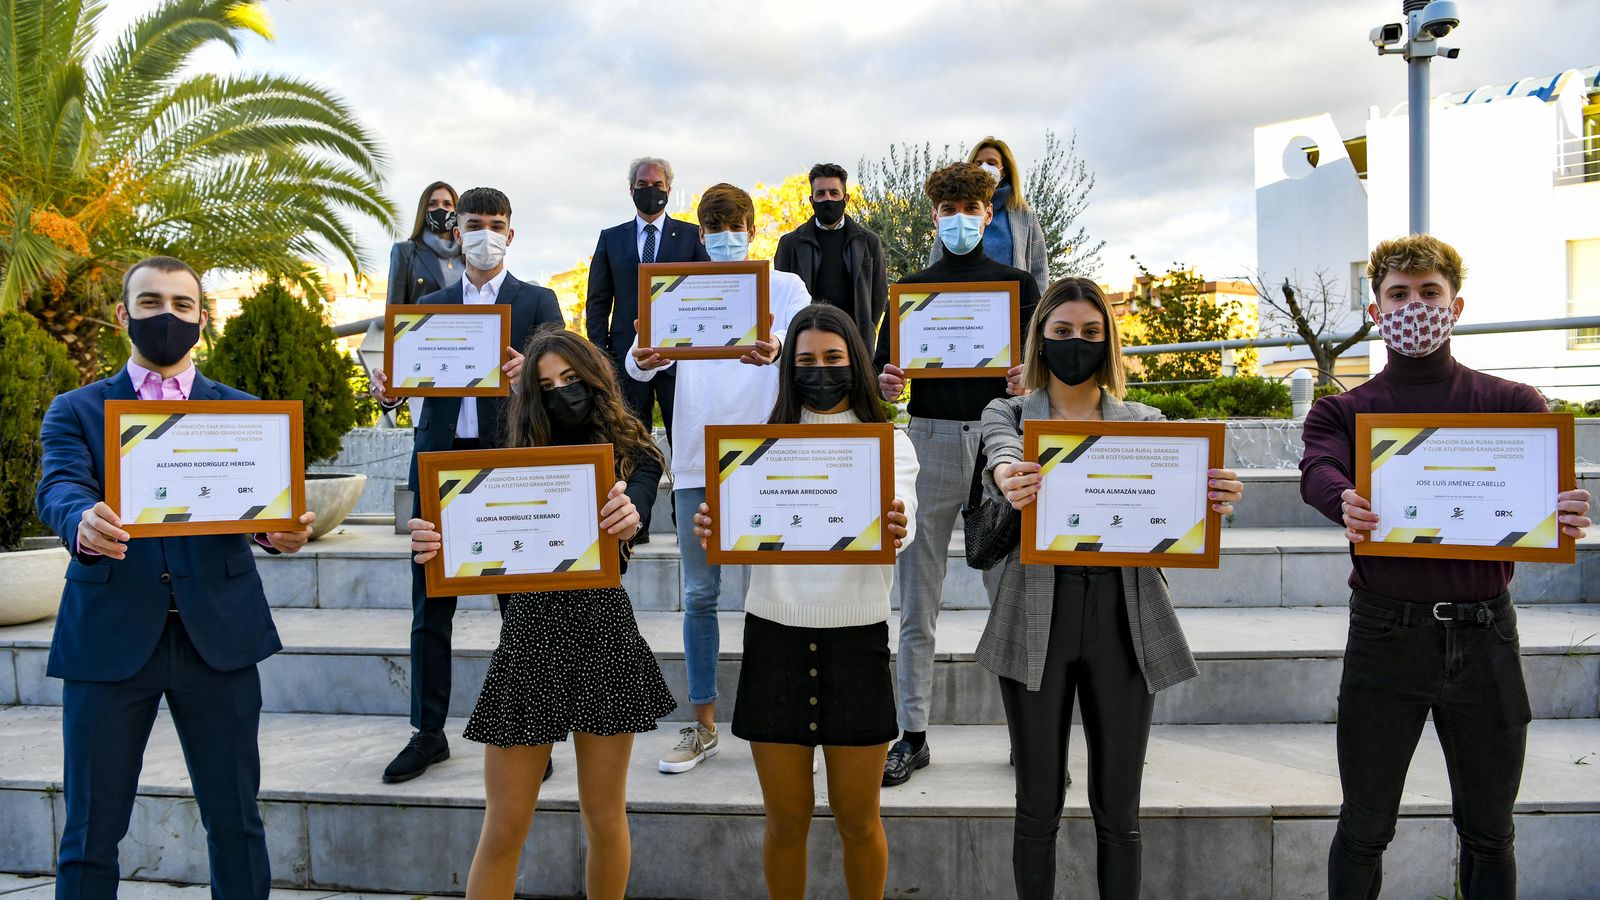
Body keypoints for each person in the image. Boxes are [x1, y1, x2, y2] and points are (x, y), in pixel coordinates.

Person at [1299, 235, 1592, 899]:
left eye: (1429, 292)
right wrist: (1340, 497)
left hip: (1486, 636)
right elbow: (1318, 467)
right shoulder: (1342, 410)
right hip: (1386, 637)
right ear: (1375, 311)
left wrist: (1566, 507)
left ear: (1456, 306)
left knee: (1490, 831)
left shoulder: (1514, 404)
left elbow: (1550, 490)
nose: (1415, 306)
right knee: (1365, 826)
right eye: (1399, 294)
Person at [35, 256, 317, 898]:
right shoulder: (77, 409)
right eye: (151, 302)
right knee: (89, 832)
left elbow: (262, 508)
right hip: (108, 637)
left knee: (236, 821)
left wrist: (279, 532)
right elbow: (59, 486)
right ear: (122, 314)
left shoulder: (246, 413)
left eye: (182, 305)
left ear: (202, 318)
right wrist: (81, 521)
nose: (167, 315)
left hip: (218, 635)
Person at [982, 276, 1243, 899]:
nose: (1077, 342)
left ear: (1110, 341)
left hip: (1128, 618)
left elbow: (1178, 506)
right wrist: (1008, 474)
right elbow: (999, 453)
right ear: (1040, 339)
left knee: (1121, 809)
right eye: (1062, 331)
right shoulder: (1010, 413)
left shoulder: (1146, 422)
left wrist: (1213, 499)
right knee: (1037, 803)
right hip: (1034, 616)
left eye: (1091, 332)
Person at [408, 327, 675, 900]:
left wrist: (629, 518)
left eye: (571, 379)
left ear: (595, 379)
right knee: (504, 825)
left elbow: (637, 514)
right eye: (547, 386)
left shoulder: (637, 455)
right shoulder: (510, 463)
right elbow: (471, 535)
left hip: (603, 638)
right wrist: (436, 542)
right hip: (528, 640)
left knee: (604, 817)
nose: (561, 393)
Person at [688, 304, 917, 899]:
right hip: (775, 639)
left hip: (858, 643)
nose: (820, 371)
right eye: (806, 360)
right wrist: (717, 526)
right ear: (788, 367)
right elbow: (737, 529)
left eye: (833, 358)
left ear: (856, 362)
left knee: (859, 821)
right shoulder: (755, 448)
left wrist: (897, 524)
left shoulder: (890, 444)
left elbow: (904, 518)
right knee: (785, 823)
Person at [370, 187, 565, 783]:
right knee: (430, 606)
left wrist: (529, 375)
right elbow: (408, 385)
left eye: (496, 224)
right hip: (438, 465)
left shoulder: (537, 301)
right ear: (456, 232)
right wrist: (391, 392)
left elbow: (564, 385)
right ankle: (427, 733)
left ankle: (531, 731)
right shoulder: (429, 306)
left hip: (508, 467)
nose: (485, 234)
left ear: (511, 233)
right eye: (474, 224)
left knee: (521, 607)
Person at [627, 182, 812, 774]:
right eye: (715, 228)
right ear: (702, 236)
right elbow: (637, 360)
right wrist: (644, 357)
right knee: (700, 596)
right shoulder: (678, 287)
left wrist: (776, 345)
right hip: (696, 460)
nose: (727, 237)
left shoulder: (784, 286)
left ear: (752, 232)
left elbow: (803, 343)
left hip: (767, 458)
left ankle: (780, 722)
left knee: (777, 594)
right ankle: (703, 725)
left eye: (736, 227)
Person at [873, 162, 1040, 786]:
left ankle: (1028, 738)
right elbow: (884, 374)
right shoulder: (911, 290)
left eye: (971, 209)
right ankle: (911, 735)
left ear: (988, 213)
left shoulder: (1019, 286)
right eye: (948, 210)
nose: (960, 219)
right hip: (930, 442)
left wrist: (1030, 376)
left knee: (1011, 601)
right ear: (934, 216)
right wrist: (888, 381)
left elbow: (1046, 369)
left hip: (1002, 448)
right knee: (918, 605)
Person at [586, 156, 710, 438]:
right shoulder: (610, 238)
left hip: (680, 358)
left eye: (657, 184)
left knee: (685, 437)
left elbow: (705, 292)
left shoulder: (692, 235)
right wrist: (601, 355)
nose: (650, 190)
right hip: (625, 356)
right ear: (631, 189)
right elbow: (597, 303)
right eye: (642, 184)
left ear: (669, 189)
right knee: (631, 439)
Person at [773, 162, 888, 353]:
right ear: (812, 200)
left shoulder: (869, 242)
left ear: (846, 198)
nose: (828, 199)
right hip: (804, 344)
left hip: (856, 343)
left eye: (834, 193)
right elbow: (781, 294)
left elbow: (879, 294)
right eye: (821, 193)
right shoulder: (789, 244)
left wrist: (866, 326)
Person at [927, 137, 1049, 294]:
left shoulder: (1024, 214)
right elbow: (938, 257)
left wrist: (1037, 304)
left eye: (991, 163)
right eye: (978, 163)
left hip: (1009, 299)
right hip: (957, 296)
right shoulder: (952, 214)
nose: (984, 168)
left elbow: (1039, 267)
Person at [387, 181, 464, 306]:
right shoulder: (405, 252)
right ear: (423, 209)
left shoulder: (469, 253)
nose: (440, 209)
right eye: (432, 204)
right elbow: (395, 309)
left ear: (456, 210)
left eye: (447, 204)